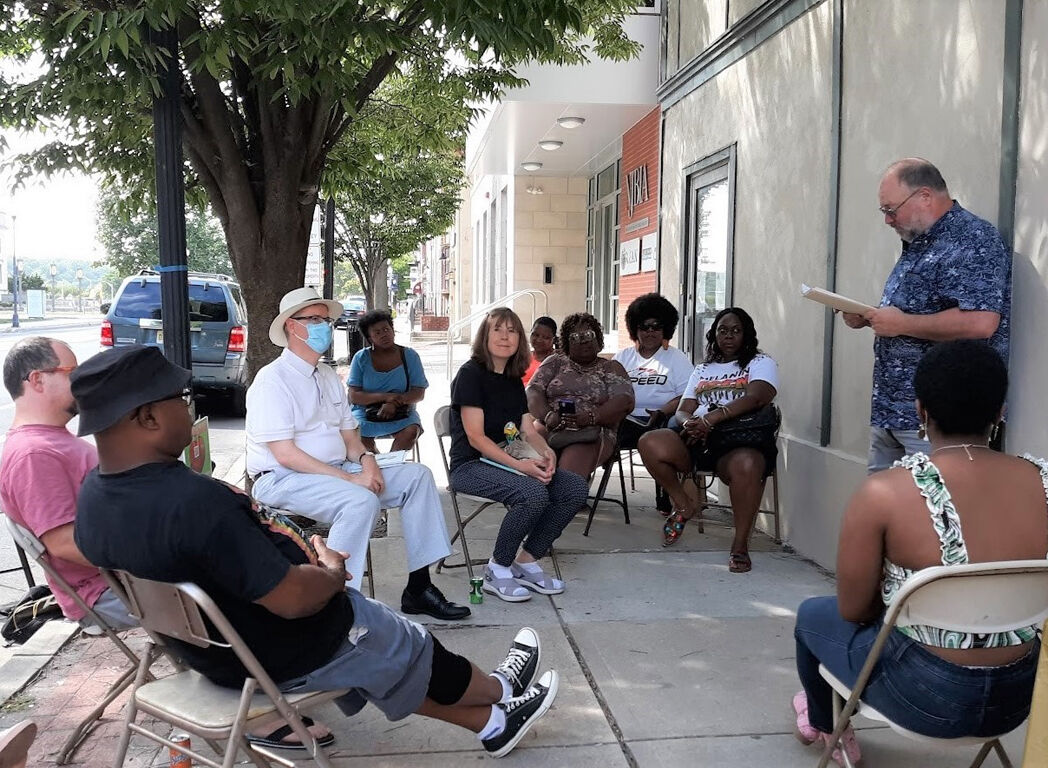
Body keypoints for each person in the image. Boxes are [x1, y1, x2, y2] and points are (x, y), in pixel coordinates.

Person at [69, 345, 560, 759]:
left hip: (213, 655)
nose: (189, 408)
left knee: (381, 655)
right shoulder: (195, 502)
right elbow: (293, 600)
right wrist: (329, 570)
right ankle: (500, 692)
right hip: (288, 646)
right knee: (401, 641)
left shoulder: (91, 500)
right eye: (180, 399)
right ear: (147, 417)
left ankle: (492, 722)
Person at [0, 337, 333, 751]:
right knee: (247, 585)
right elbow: (64, 543)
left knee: (237, 560)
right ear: (37, 380)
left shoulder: (50, 442)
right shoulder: (33, 453)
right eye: (72, 372)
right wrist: (160, 541)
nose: (84, 379)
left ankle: (267, 682)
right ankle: (260, 707)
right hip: (117, 587)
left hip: (133, 577)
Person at [791, 341, 1044, 766]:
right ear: (1000, 411)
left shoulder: (886, 491)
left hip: (925, 699)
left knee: (813, 616)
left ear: (921, 411)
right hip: (1019, 699)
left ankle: (826, 723)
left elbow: (853, 610)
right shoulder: (1042, 481)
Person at [246, 287, 469, 621]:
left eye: (326, 319)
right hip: (283, 479)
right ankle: (339, 605)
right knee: (359, 499)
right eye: (315, 319)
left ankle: (419, 588)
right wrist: (351, 478)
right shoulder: (272, 380)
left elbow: (351, 436)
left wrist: (368, 462)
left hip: (338, 468)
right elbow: (285, 454)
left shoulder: (326, 375)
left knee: (418, 477)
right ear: (292, 326)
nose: (324, 326)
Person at [841, 158, 1011, 473]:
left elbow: (981, 322)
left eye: (891, 210)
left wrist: (900, 323)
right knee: (885, 514)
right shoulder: (918, 242)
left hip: (940, 422)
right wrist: (872, 317)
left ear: (925, 196)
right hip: (892, 412)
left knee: (933, 517)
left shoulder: (973, 239)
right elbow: (916, 312)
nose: (888, 221)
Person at [448, 308, 589, 603]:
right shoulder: (470, 375)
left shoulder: (512, 379)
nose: (504, 336)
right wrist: (521, 467)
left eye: (512, 330)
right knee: (533, 493)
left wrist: (546, 451)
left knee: (574, 488)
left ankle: (525, 561)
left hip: (508, 459)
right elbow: (476, 437)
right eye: (497, 329)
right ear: (484, 336)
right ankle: (497, 569)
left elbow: (526, 429)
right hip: (471, 465)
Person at [637, 308, 778, 573]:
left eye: (736, 331)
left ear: (747, 335)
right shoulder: (702, 368)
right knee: (650, 441)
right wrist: (689, 422)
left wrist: (712, 419)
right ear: (714, 335)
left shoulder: (760, 362)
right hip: (698, 440)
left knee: (748, 464)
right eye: (723, 330)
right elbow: (683, 407)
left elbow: (757, 397)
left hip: (738, 440)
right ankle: (683, 504)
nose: (728, 336)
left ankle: (740, 546)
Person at [613, 293, 693, 515]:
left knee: (667, 433)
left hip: (662, 419)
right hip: (626, 420)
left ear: (665, 328)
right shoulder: (622, 357)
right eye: (644, 326)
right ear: (634, 328)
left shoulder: (677, 358)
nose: (650, 332)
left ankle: (668, 495)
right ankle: (577, 490)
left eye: (656, 326)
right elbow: (609, 392)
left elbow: (686, 396)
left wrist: (661, 411)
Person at [526, 313, 634, 479]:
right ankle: (534, 499)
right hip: (550, 425)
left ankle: (568, 500)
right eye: (575, 337)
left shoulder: (611, 368)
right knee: (529, 457)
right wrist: (548, 415)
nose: (583, 340)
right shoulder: (555, 362)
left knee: (568, 476)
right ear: (566, 343)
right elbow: (533, 391)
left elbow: (624, 402)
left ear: (598, 339)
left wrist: (591, 417)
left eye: (589, 335)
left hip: (592, 430)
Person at [348, 309, 427, 453]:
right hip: (365, 412)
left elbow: (419, 392)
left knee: (411, 431)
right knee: (356, 435)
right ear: (369, 338)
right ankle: (377, 464)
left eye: (386, 329)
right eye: (377, 332)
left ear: (393, 330)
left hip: (402, 411)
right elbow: (354, 396)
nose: (384, 334)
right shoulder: (361, 358)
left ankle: (392, 466)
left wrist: (393, 403)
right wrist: (386, 397)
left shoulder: (410, 356)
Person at [522, 317, 557, 385]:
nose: (539, 340)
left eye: (545, 337)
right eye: (536, 335)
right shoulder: (522, 358)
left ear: (554, 339)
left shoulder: (558, 361)